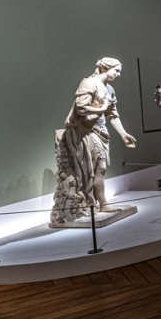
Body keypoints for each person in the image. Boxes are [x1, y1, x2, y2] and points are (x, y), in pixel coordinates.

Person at [51, 57, 136, 225]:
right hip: (84, 132)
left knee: (101, 168)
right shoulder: (89, 84)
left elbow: (113, 115)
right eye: (116, 70)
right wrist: (101, 108)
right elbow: (80, 107)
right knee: (92, 170)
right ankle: (97, 204)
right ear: (106, 67)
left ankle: (100, 204)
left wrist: (123, 134)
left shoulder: (110, 89)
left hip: (100, 132)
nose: (118, 74)